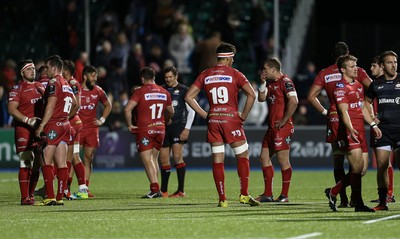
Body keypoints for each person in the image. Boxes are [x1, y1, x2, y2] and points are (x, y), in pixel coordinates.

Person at [184, 42, 260, 208]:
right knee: (243, 155)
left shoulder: (206, 74)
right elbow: (252, 95)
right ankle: (244, 195)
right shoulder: (235, 74)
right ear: (228, 58)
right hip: (230, 118)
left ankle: (222, 199)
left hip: (214, 120)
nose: (233, 61)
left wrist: (205, 114)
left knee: (218, 159)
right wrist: (244, 115)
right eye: (232, 58)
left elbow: (188, 97)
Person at [307, 42, 372, 207]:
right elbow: (372, 88)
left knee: (338, 160)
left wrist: (325, 112)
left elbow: (311, 96)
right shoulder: (357, 71)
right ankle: (351, 198)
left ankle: (342, 198)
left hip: (334, 119)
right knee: (357, 164)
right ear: (347, 54)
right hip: (351, 118)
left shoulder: (325, 73)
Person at [324, 54, 379, 212]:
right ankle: (358, 203)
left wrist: (373, 124)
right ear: (343, 69)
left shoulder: (359, 85)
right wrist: (350, 129)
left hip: (360, 129)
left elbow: (362, 107)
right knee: (356, 167)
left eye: (356, 66)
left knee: (362, 169)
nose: (356, 69)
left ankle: (333, 192)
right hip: (350, 130)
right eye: (352, 66)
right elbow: (343, 112)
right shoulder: (340, 87)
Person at [124, 67, 174, 198]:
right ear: (154, 77)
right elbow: (171, 111)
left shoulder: (140, 92)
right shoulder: (164, 92)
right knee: (153, 159)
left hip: (146, 129)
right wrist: (166, 120)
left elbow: (127, 109)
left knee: (147, 159)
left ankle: (154, 189)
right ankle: (155, 188)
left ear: (142, 79)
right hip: (160, 129)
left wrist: (130, 125)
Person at [35, 55, 79, 206]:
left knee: (46, 160)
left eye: (47, 67)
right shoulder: (66, 83)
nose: (45, 70)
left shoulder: (53, 82)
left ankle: (50, 197)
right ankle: (59, 197)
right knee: (62, 163)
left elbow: (50, 105)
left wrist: (42, 125)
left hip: (53, 125)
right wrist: (65, 116)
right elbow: (75, 104)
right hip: (65, 126)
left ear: (54, 68)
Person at [256, 57, 298, 203]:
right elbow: (261, 99)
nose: (263, 71)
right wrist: (262, 83)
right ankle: (267, 194)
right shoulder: (271, 84)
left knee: (282, 160)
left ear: (273, 69)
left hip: (282, 127)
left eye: (265, 69)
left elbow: (294, 101)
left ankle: (284, 196)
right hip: (272, 127)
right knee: (263, 157)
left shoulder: (285, 81)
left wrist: (285, 120)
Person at [364, 50, 400, 210]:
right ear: (383, 66)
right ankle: (383, 202)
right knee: (382, 167)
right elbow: (365, 104)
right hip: (383, 131)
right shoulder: (376, 84)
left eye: (395, 62)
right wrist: (372, 122)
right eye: (390, 62)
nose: (394, 65)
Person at [7, 59, 45, 205]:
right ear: (22, 72)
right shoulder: (17, 88)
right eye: (29, 69)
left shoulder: (40, 86)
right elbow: (11, 109)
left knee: (37, 164)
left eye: (34, 68)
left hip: (38, 129)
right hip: (24, 129)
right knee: (26, 161)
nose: (33, 71)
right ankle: (24, 197)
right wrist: (28, 120)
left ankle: (30, 194)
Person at [159, 66, 195, 198]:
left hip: (179, 127)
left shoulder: (184, 90)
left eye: (170, 77)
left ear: (176, 76)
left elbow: (192, 111)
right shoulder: (161, 90)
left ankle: (181, 190)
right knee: (163, 159)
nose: (168, 79)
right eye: (166, 77)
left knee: (177, 156)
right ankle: (163, 191)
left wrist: (187, 129)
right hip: (164, 128)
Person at [79, 65, 112, 198]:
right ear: (85, 76)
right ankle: (66, 188)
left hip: (92, 129)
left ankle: (85, 188)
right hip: (78, 129)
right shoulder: (76, 90)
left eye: (96, 76)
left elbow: (108, 105)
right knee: (73, 158)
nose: (95, 79)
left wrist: (102, 119)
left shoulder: (98, 90)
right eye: (93, 76)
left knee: (88, 159)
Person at [62, 59, 88, 199]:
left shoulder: (72, 83)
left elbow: (76, 105)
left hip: (72, 122)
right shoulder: (73, 83)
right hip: (77, 122)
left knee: (66, 157)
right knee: (75, 156)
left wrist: (64, 118)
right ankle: (82, 188)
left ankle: (65, 189)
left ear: (65, 71)